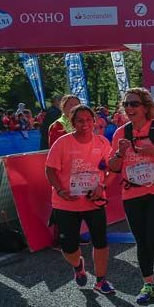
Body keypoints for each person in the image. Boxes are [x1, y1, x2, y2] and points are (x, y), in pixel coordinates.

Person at [108, 88, 154, 305]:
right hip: (132, 193)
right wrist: (121, 153)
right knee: (141, 241)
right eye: (127, 104)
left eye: (134, 104)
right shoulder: (120, 133)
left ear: (146, 107)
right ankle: (149, 283)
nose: (130, 108)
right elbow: (112, 167)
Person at [45, 106, 115, 294]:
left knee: (101, 241)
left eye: (88, 120)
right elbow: (50, 169)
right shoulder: (62, 143)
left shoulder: (102, 142)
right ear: (73, 123)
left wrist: (103, 186)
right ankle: (78, 266)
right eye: (80, 121)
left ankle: (101, 280)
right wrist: (60, 190)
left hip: (94, 201)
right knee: (69, 248)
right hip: (66, 203)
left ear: (94, 121)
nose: (85, 124)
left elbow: (112, 169)